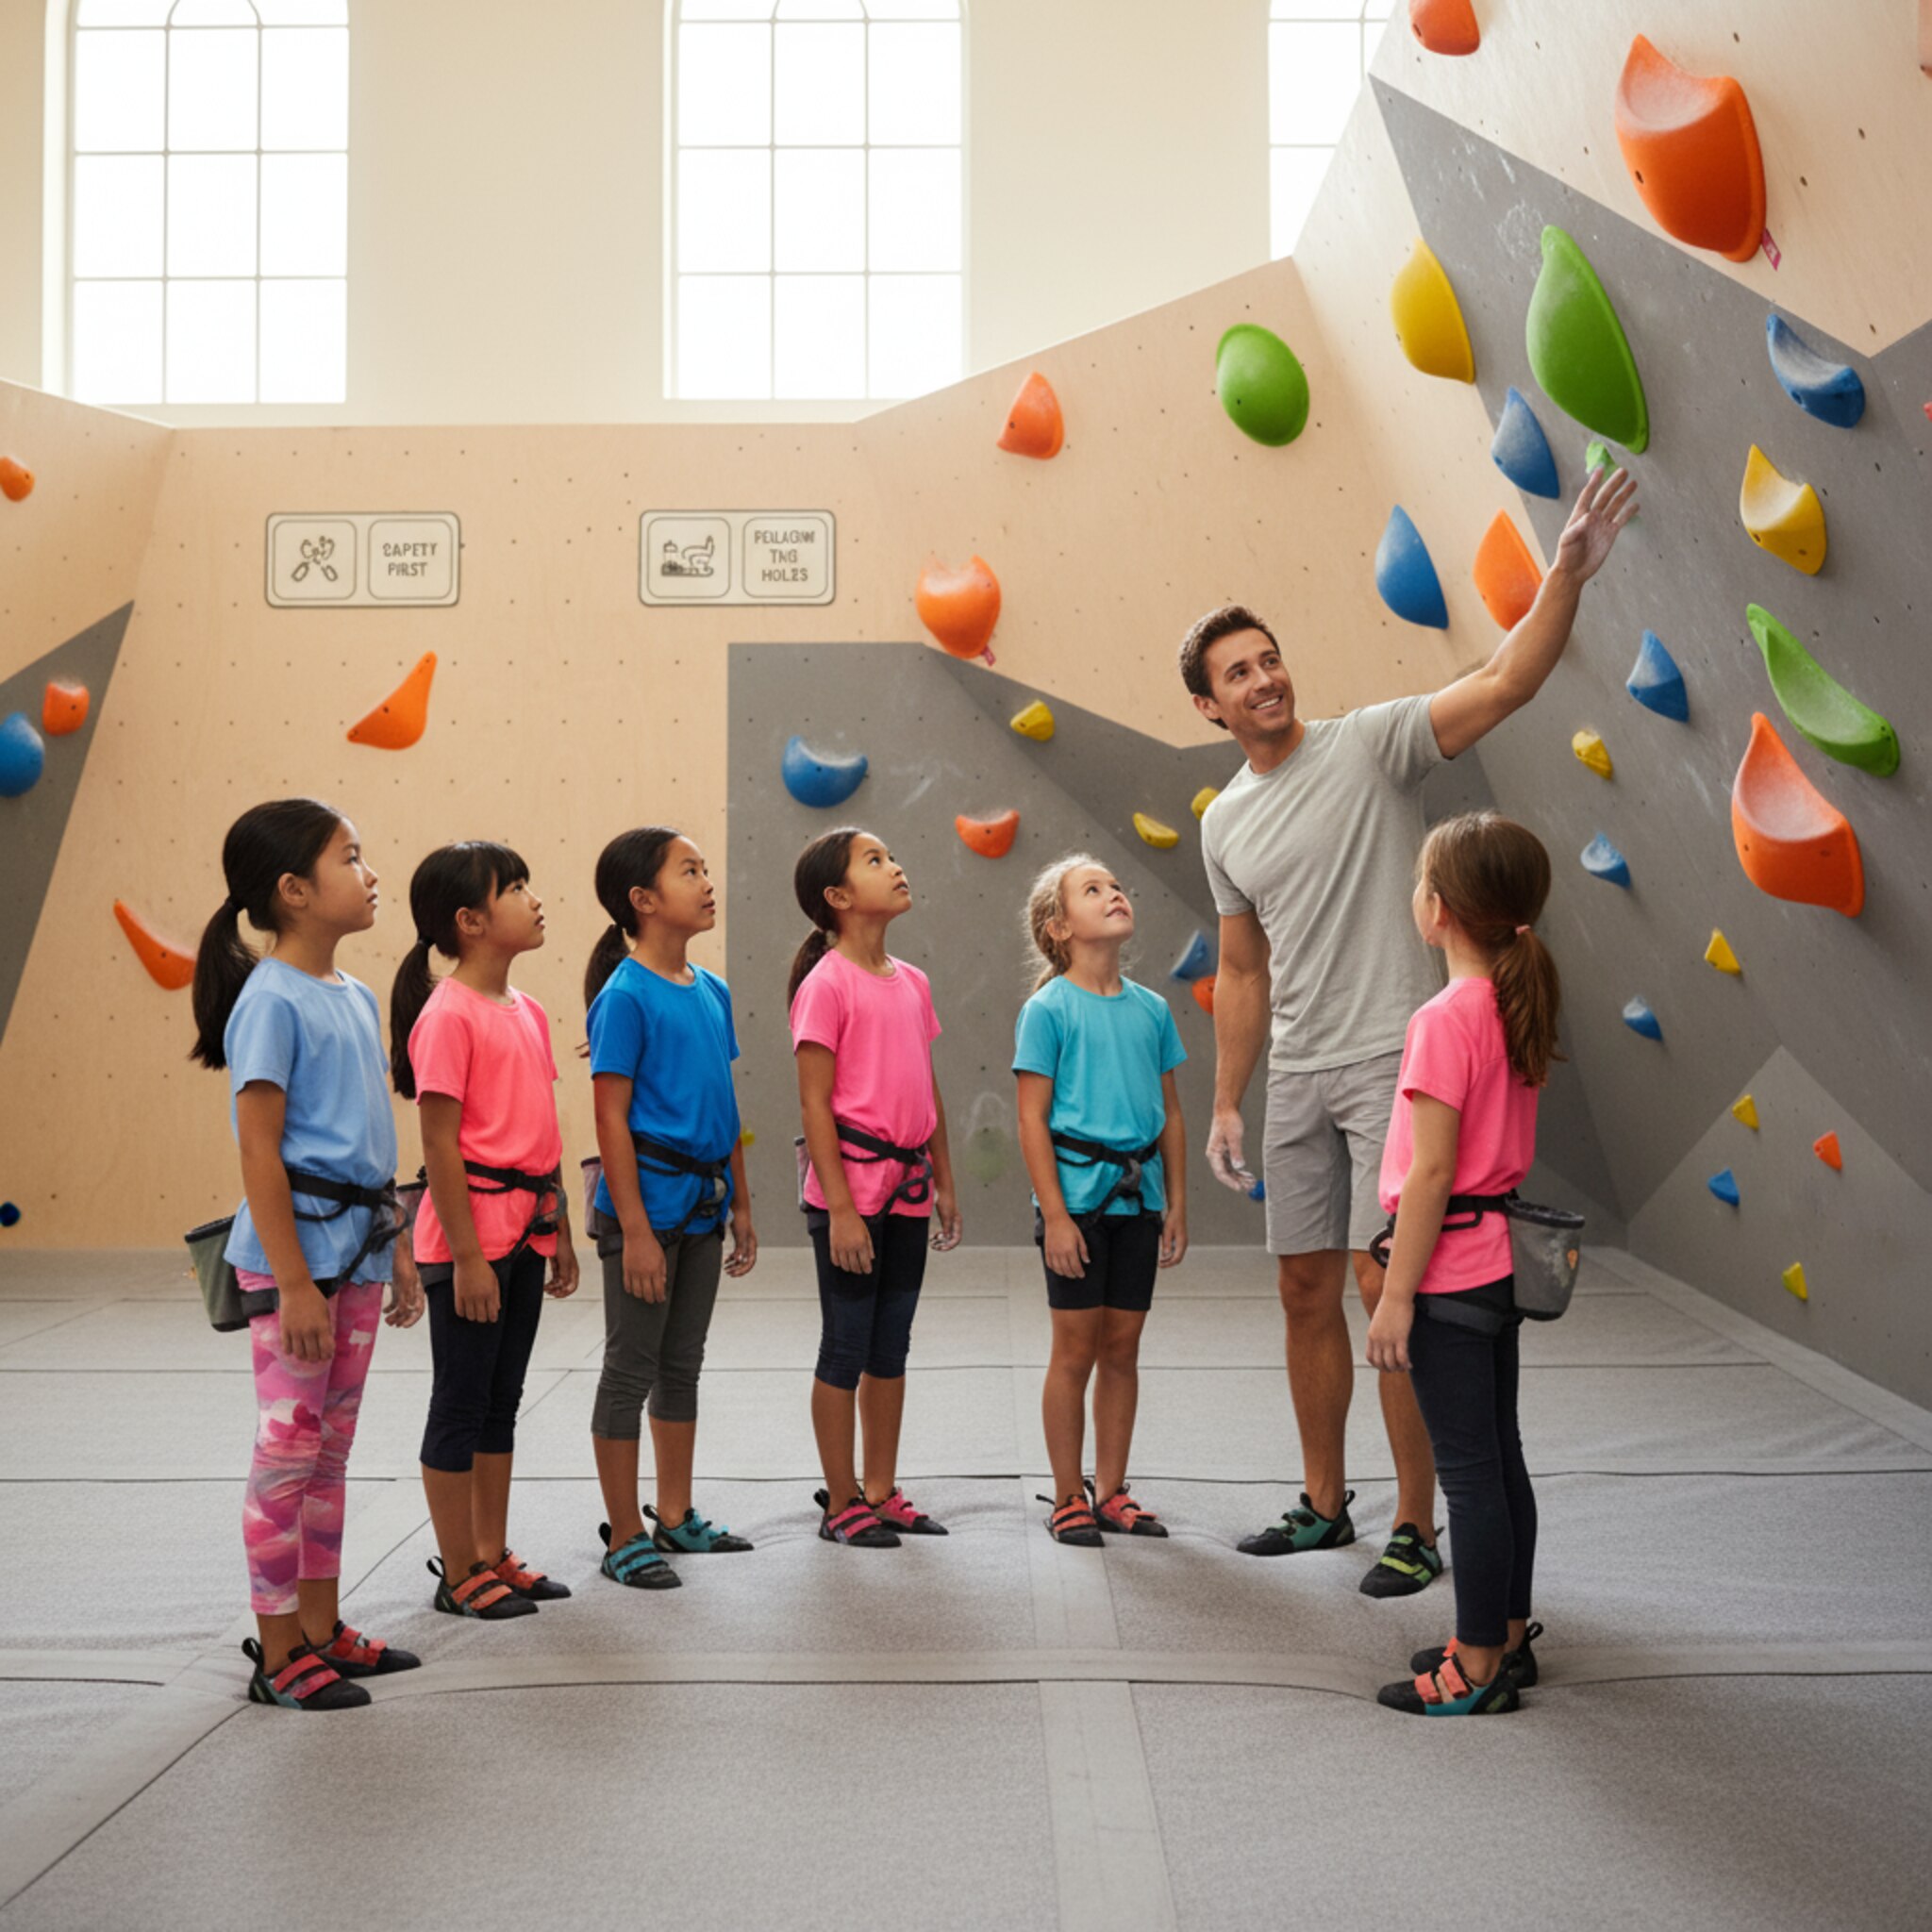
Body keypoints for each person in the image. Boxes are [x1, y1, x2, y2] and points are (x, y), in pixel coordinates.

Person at [1184, 465, 1636, 1593]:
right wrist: (1229, 1094)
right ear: (1207, 707)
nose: (1263, 676)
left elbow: (1502, 680)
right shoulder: (1224, 819)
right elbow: (1241, 969)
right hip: (1295, 1070)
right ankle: (1322, 1503)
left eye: (1268, 655)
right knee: (1301, 1290)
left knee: (1395, 1287)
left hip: (1399, 1059)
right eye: (1236, 672)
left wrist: (1565, 574)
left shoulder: (1371, 742)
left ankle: (1415, 1521)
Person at [190, 799, 423, 1712]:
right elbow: (260, 1151)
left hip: (359, 1251)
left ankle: (323, 1626)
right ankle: (277, 1643)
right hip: (294, 1264)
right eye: (349, 857)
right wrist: (293, 1280)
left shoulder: (355, 995)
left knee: (330, 1454)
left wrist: (395, 1248)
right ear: (293, 890)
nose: (369, 873)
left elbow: (370, 1141)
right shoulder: (269, 999)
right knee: (287, 1451)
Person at [1365, 812, 1558, 1715]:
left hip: (1449, 1274)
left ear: (1438, 909)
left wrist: (1395, 1297)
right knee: (1500, 1455)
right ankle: (1507, 1634)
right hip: (1499, 1270)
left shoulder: (1446, 1017)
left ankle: (1476, 1666)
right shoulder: (1514, 1004)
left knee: (1470, 1473)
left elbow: (1434, 1171)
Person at [391, 841, 578, 1623]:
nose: (534, 900)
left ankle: (491, 1550)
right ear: (470, 922)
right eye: (516, 889)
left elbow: (542, 1130)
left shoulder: (526, 1009)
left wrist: (561, 1223)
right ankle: (457, 1565)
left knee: (504, 1399)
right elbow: (439, 1147)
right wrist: (466, 1257)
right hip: (468, 1241)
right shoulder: (446, 1015)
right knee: (461, 1402)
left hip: (527, 1230)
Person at [584, 827, 758, 1591]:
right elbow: (610, 1120)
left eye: (705, 869)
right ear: (644, 901)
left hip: (705, 1206)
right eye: (690, 871)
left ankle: (674, 1513)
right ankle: (623, 1534)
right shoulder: (624, 996)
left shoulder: (711, 990)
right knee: (630, 1369)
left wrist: (743, 1205)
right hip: (646, 1216)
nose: (707, 882)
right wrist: (637, 1234)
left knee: (681, 1365)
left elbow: (724, 1107)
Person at [789, 825, 961, 1547]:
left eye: (892, 855)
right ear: (837, 897)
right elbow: (814, 1106)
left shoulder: (912, 981)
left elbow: (927, 1088)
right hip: (851, 1197)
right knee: (846, 1345)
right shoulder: (826, 985)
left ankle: (883, 1489)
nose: (896, 867)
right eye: (876, 860)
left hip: (910, 1189)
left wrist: (945, 1180)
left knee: (892, 1344)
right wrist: (844, 1211)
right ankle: (841, 1499)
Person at [1014, 856, 1187, 1545]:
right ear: (1060, 929)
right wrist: (1055, 1215)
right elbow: (1033, 1120)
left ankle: (1112, 1489)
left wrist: (1175, 1202)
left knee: (1123, 1347)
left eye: (1117, 884)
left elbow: (1170, 1112)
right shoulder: (1048, 1009)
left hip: (1137, 1202)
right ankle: (1067, 1494)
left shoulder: (1153, 1009)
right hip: (1078, 1209)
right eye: (1093, 890)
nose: (1114, 893)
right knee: (1075, 1350)